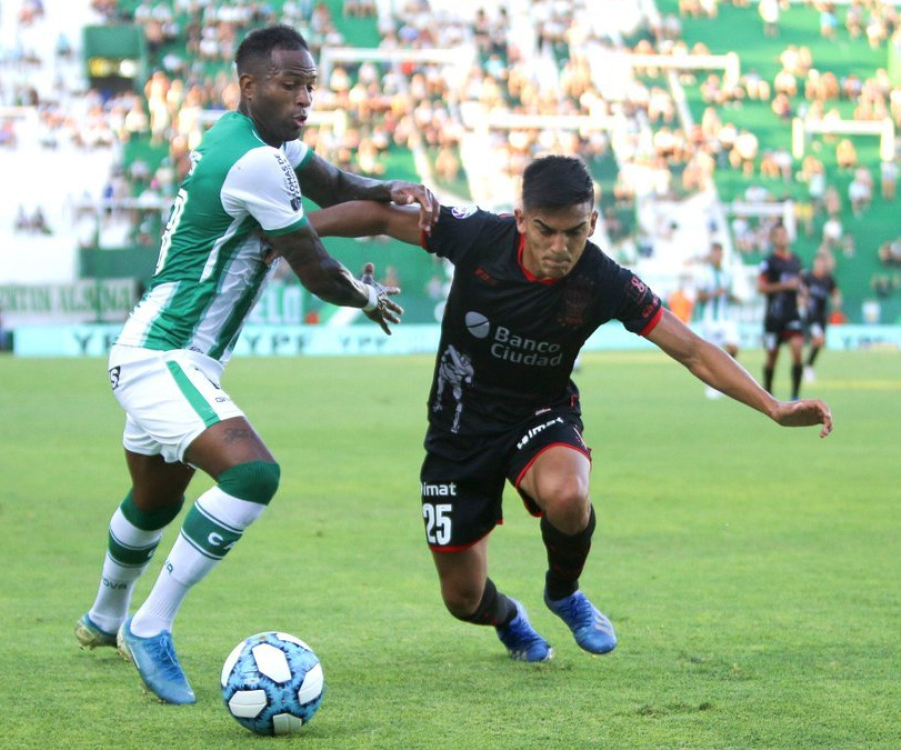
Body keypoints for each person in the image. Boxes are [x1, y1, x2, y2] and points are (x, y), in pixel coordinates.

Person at [307, 155, 833, 664]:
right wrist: (292, 234)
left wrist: (772, 406)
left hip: (539, 412)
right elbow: (378, 214)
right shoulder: (477, 235)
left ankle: (564, 592)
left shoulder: (605, 281)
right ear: (520, 220)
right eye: (546, 231)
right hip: (458, 427)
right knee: (462, 600)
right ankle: (509, 619)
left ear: (593, 223)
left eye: (575, 232)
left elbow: (692, 349)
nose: (560, 247)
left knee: (569, 492)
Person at [73, 25, 439, 705]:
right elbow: (313, 266)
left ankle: (104, 616)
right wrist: (365, 294)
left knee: (155, 500)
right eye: (289, 83)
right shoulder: (256, 166)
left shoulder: (248, 142)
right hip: (165, 355)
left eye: (310, 85)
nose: (304, 97)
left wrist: (389, 186)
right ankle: (150, 625)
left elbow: (332, 182)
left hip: (166, 353)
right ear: (248, 85)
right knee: (252, 473)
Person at [758, 221, 805, 400]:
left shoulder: (796, 261)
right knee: (772, 356)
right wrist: (784, 285)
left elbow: (800, 283)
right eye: (778, 235)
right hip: (774, 316)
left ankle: (795, 395)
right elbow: (761, 288)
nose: (782, 237)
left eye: (784, 234)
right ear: (773, 239)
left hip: (792, 314)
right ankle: (768, 395)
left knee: (797, 349)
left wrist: (803, 292)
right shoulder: (769, 263)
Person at [695, 241, 740, 399]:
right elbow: (699, 296)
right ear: (711, 254)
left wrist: (735, 298)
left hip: (725, 318)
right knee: (712, 354)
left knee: (733, 347)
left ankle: (725, 377)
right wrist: (715, 293)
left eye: (720, 253)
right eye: (715, 253)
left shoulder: (726, 274)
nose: (718, 256)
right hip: (710, 319)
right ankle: (712, 385)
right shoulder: (704, 273)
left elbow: (727, 294)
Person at [800, 254, 840, 383]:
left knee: (819, 342)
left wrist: (836, 300)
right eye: (818, 262)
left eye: (822, 262)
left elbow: (835, 292)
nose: (820, 265)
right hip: (810, 316)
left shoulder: (828, 279)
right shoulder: (808, 277)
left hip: (822, 316)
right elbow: (801, 292)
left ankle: (807, 366)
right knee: (819, 339)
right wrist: (802, 301)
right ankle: (807, 367)